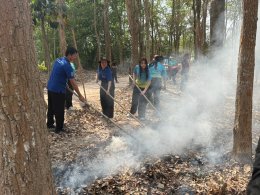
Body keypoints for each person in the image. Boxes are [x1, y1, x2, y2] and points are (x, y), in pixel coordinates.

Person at [47, 46, 86, 133]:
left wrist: (65, 84)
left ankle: (49, 125)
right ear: (70, 55)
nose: (75, 58)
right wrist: (80, 95)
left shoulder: (58, 60)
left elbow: (58, 74)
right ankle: (59, 129)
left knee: (51, 107)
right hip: (58, 90)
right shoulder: (67, 66)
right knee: (59, 109)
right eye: (75, 56)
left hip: (50, 87)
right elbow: (73, 83)